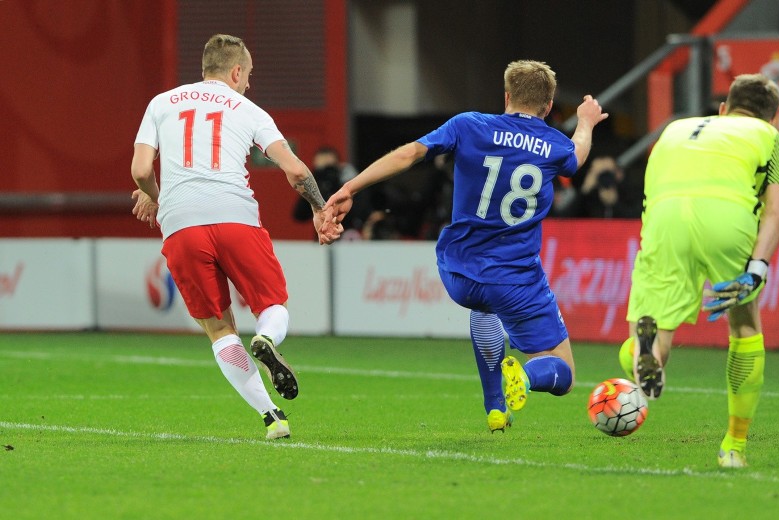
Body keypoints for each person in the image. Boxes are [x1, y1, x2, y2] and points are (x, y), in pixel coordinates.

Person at [321, 60, 608, 432]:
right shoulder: (554, 146)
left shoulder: (469, 124)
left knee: (483, 307)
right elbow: (578, 154)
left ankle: (495, 407)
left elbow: (408, 154)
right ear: (549, 106)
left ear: (506, 96)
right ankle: (524, 375)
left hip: (458, 271)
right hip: (514, 280)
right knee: (564, 374)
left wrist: (349, 188)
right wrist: (585, 121)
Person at [130, 34, 341, 440]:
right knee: (272, 304)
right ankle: (266, 337)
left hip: (181, 225)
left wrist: (159, 199)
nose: (249, 84)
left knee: (219, 329)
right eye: (249, 76)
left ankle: (272, 417)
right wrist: (318, 209)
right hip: (235, 217)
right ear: (236, 71)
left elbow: (140, 170)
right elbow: (296, 171)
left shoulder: (161, 103)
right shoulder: (248, 109)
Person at [619, 74, 779, 468]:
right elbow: (774, 212)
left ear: (723, 108)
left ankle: (644, 351)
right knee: (745, 326)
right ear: (770, 119)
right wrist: (757, 268)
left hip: (666, 219)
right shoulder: (772, 140)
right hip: (727, 216)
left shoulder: (674, 129)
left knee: (654, 328)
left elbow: (651, 189)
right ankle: (733, 447)